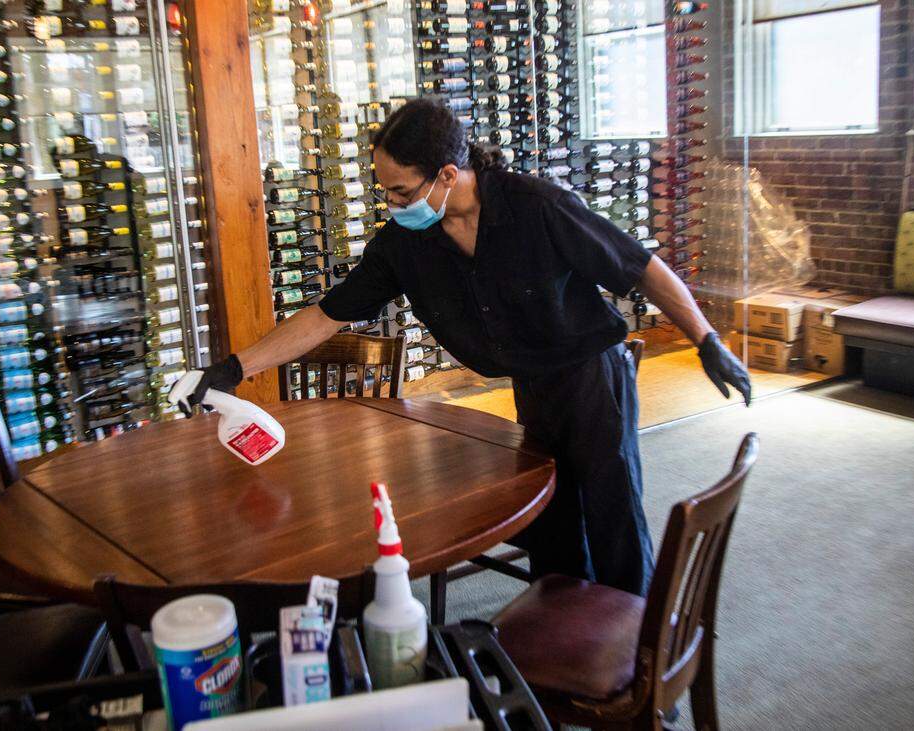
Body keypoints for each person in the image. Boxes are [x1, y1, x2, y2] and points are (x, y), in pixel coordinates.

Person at [172, 98, 750, 596]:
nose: (392, 203)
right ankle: (563, 638)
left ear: (447, 174)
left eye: (401, 191)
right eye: (384, 191)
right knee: (552, 522)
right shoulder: (406, 244)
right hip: (532, 385)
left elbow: (640, 266)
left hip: (592, 375)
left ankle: (637, 660)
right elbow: (328, 314)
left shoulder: (536, 206)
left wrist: (705, 339)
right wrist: (233, 367)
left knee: (612, 517)